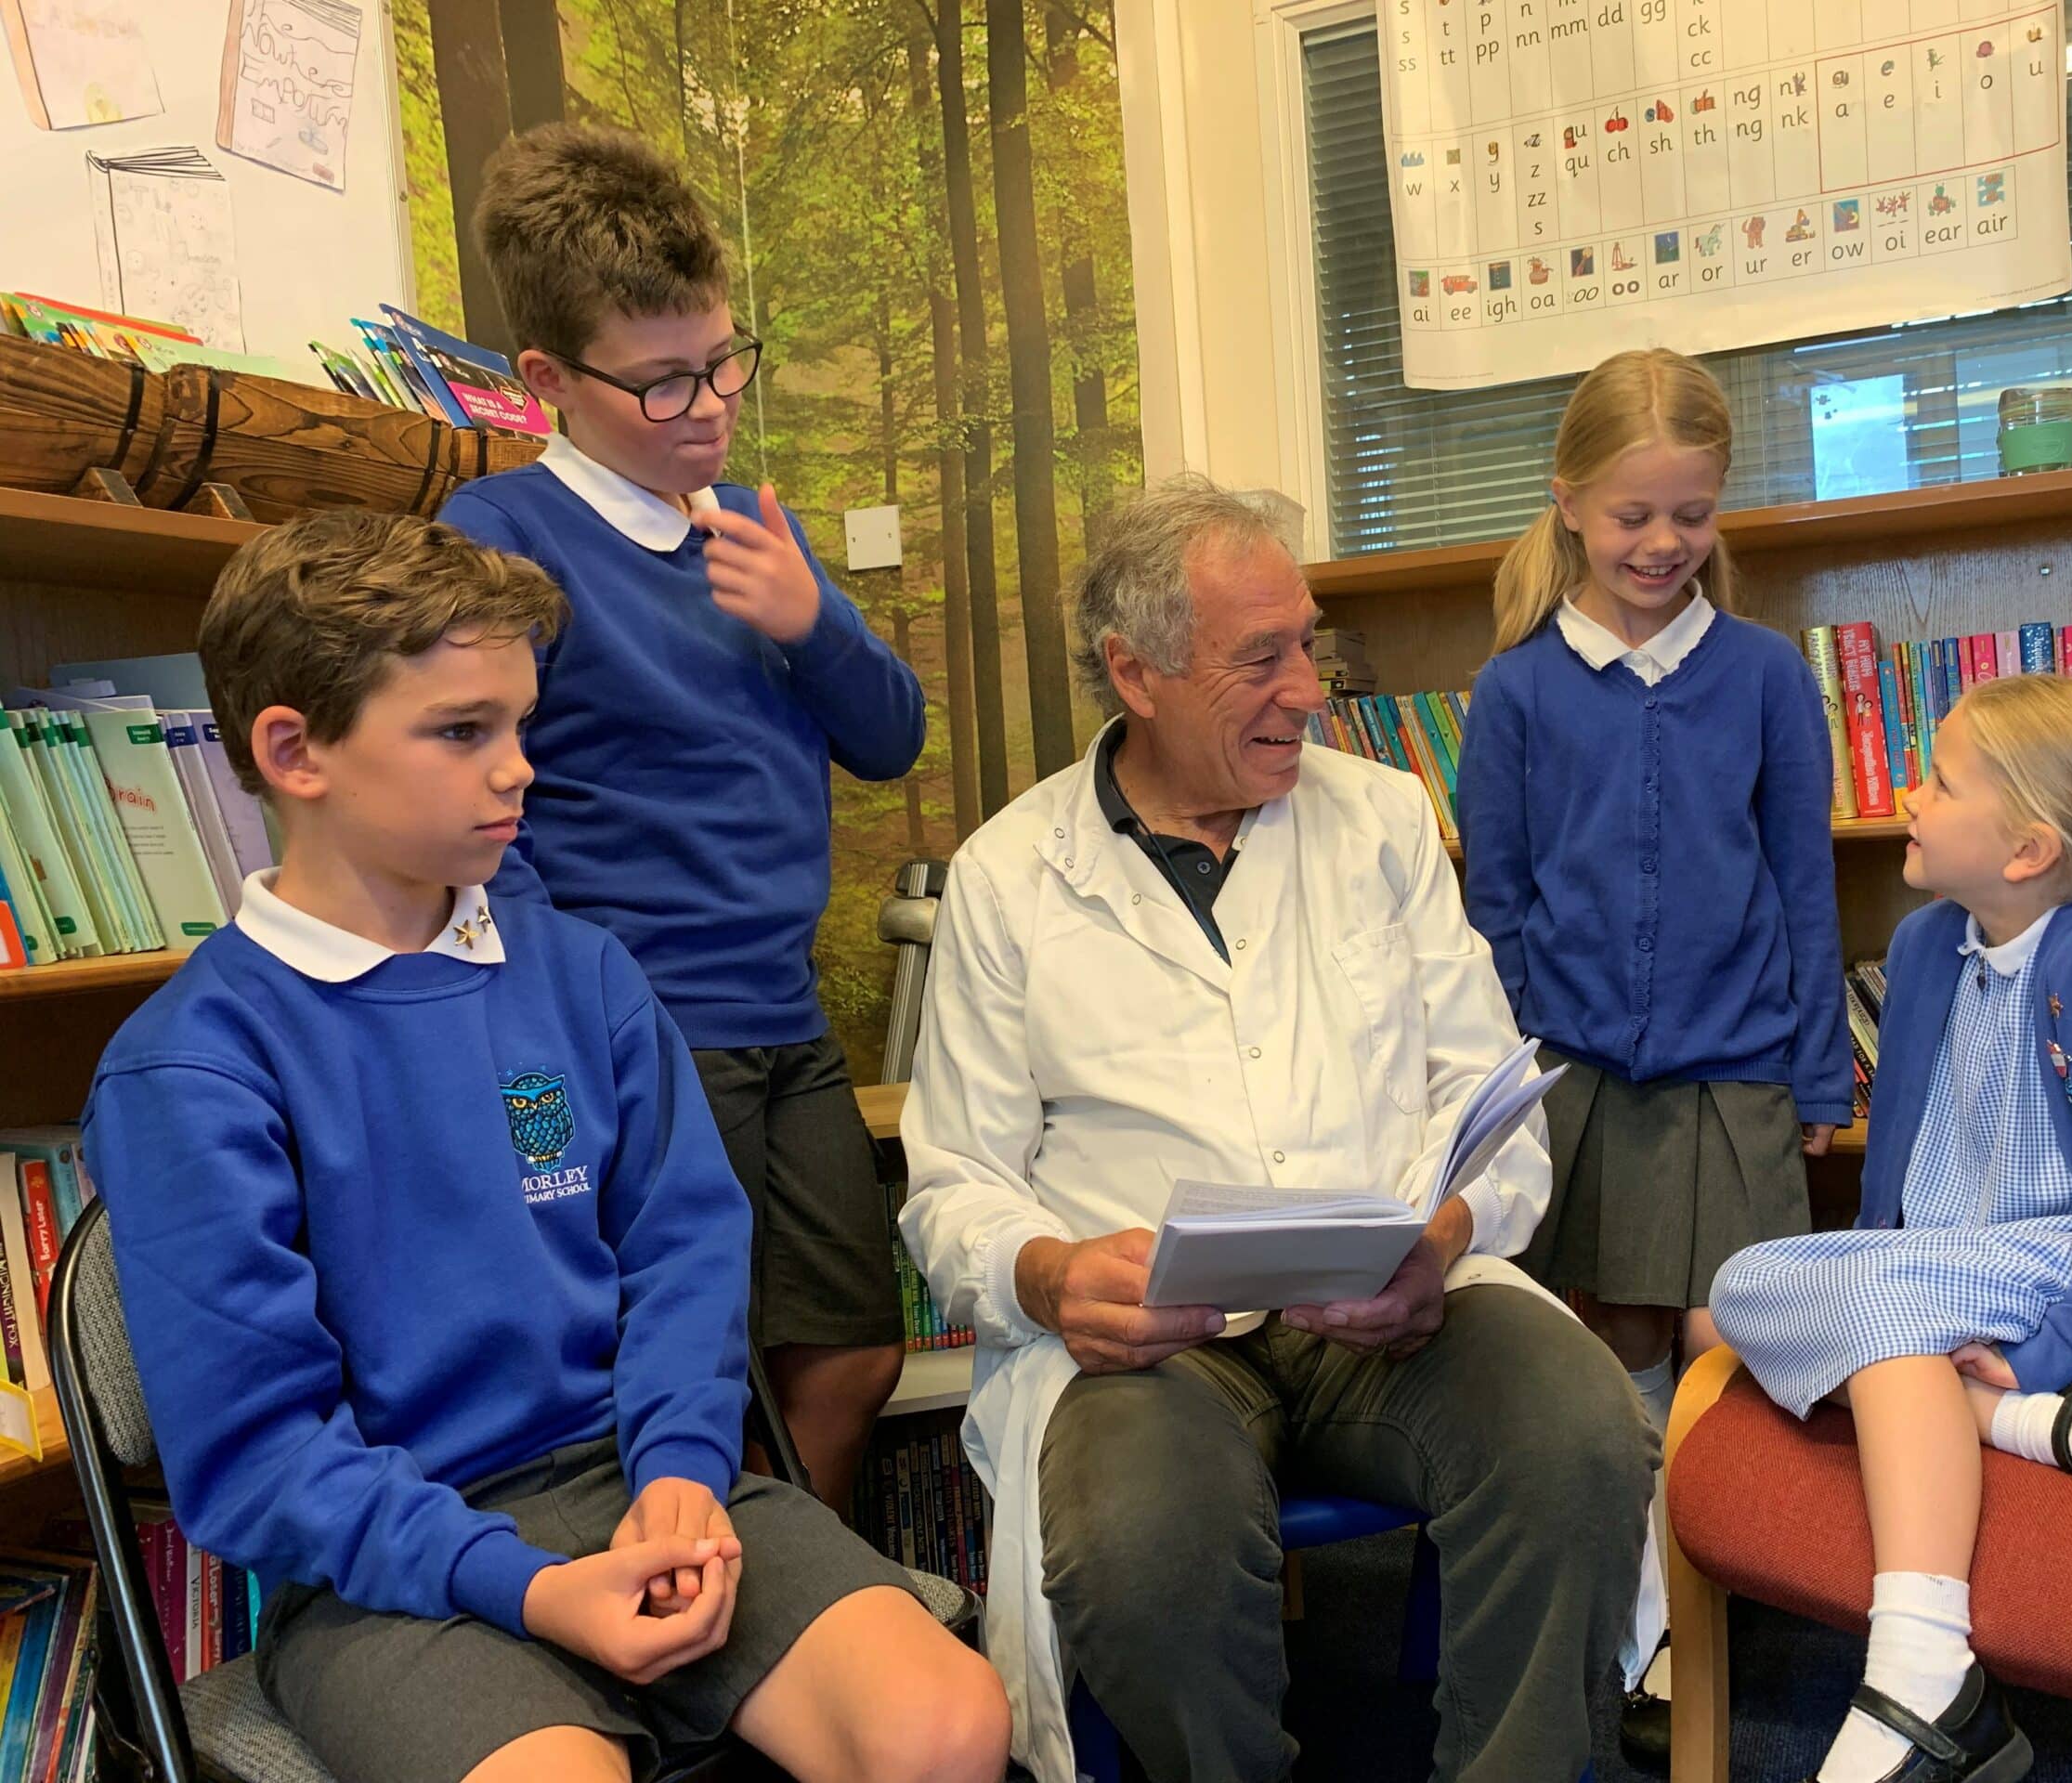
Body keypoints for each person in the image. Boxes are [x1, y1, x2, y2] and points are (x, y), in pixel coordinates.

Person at [82, 512, 1007, 1783]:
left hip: (642, 1480)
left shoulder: (586, 976)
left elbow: (684, 1253)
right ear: (295, 751)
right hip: (386, 1569)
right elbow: (257, 1460)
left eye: (520, 724)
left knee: (949, 1725)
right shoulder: (191, 1063)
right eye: (463, 731)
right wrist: (528, 1588)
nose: (519, 768)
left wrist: (683, 1470)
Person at [897, 476, 1658, 1783]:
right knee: (1141, 1541)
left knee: (1578, 1432)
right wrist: (1054, 1274)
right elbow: (951, 1185)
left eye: (1309, 643)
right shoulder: (1012, 877)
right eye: (1263, 659)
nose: (1310, 688)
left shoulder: (1380, 822)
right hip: (1154, 1352)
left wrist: (1446, 1234)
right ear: (1134, 673)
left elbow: (1493, 1110)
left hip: (1389, 1313)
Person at [437, 124, 927, 1518]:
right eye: (661, 383)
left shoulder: (751, 527)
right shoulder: (504, 532)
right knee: (687, 1361)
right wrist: (556, 1002)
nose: (708, 404)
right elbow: (477, 799)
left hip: (782, 1018)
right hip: (639, 1025)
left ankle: (786, 1585)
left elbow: (890, 737)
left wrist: (812, 617)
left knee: (851, 1349)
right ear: (547, 383)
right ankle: (737, 1635)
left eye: (722, 362)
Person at [1711, 673, 2072, 1783]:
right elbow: (1902, 1169)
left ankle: (1922, 1669)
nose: (1908, 797)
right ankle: (2039, 1428)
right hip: (1952, 1267)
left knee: (1861, 1314)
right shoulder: (1934, 945)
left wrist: (2047, 1349)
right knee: (1735, 1292)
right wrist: (1873, 1275)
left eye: (1937, 781)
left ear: (2027, 850)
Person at [1455, 346, 1853, 1761]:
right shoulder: (1512, 697)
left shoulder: (1759, 676)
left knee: (1727, 1341)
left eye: (1690, 515)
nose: (1663, 545)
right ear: (1569, 505)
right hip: (1571, 1092)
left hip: (1734, 1075)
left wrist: (1818, 1075)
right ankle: (1646, 1627)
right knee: (1608, 1348)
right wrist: (1493, 1105)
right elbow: (1491, 912)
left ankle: (1728, 1589)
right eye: (1633, 517)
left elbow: (1804, 884)